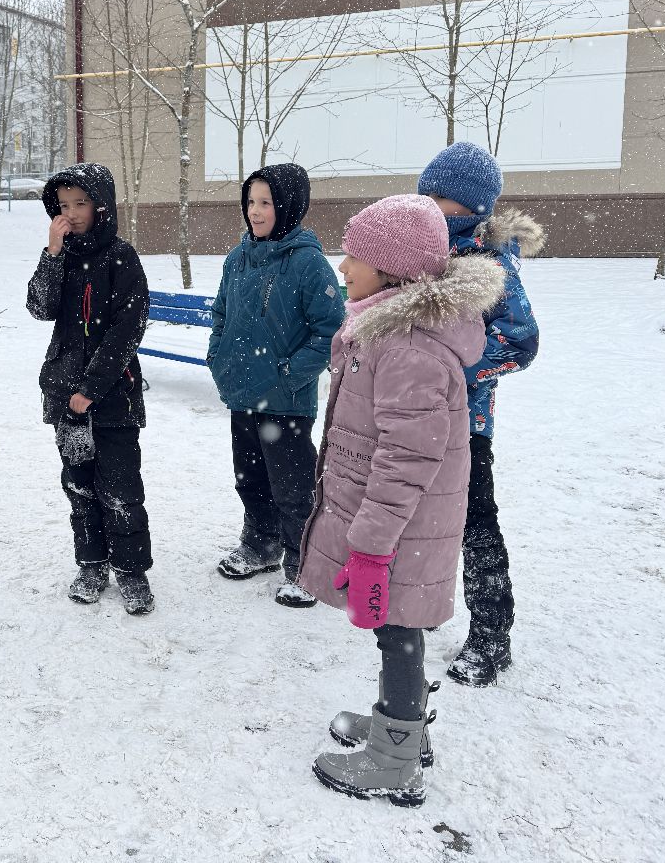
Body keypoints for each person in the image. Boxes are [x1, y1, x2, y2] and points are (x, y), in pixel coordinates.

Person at [298, 195, 506, 806]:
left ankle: (395, 757)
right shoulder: (387, 329)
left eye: (354, 256)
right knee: (397, 627)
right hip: (403, 525)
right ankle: (402, 721)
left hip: (402, 528)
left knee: (398, 629)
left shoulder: (408, 348)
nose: (342, 267)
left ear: (391, 270)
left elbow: (406, 459)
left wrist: (370, 545)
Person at [417, 142, 544, 686]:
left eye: (440, 198)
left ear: (472, 207)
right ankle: (418, 606)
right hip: (413, 416)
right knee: (419, 518)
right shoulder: (418, 249)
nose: (430, 205)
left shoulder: (489, 264)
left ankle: (492, 634)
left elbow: (520, 341)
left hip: (465, 425)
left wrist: (454, 370)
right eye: (425, 194)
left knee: (474, 524)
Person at [206, 164, 344, 606]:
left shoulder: (308, 263)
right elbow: (221, 314)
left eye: (266, 202)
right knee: (249, 478)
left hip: (286, 401)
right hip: (242, 393)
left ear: (288, 206)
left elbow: (330, 332)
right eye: (251, 201)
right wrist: (218, 357)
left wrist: (288, 373)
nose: (255, 211)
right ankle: (261, 543)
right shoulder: (237, 259)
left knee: (293, 487)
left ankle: (304, 565)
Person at [26, 163, 154, 615]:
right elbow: (39, 307)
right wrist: (52, 254)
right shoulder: (61, 256)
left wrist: (92, 387)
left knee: (121, 489)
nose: (72, 213)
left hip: (114, 398)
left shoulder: (122, 257)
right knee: (79, 487)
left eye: (81, 203)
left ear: (101, 206)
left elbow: (127, 328)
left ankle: (131, 570)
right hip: (65, 398)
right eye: (64, 205)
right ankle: (92, 564)